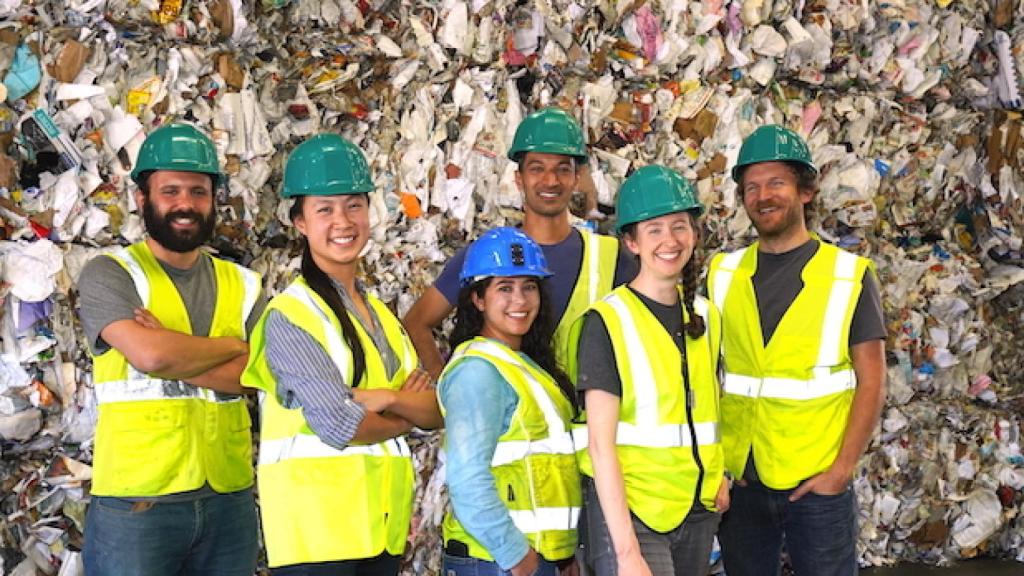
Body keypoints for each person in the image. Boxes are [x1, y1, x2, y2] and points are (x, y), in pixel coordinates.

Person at [242, 133, 442, 575]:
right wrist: (407, 415)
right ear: (299, 222)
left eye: (353, 205)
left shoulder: (383, 318)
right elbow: (338, 423)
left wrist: (388, 400)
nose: (343, 221)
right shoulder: (291, 315)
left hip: (381, 531)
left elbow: (437, 410)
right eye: (324, 209)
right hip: (317, 539)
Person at [77, 123, 264, 575]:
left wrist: (177, 351)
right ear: (142, 199)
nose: (186, 204)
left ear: (214, 199)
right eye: (171, 190)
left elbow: (259, 375)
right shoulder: (110, 274)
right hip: (138, 502)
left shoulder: (243, 283)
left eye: (198, 192)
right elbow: (150, 356)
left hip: (228, 497)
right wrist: (232, 346)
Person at [709, 125, 886, 576]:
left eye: (776, 183)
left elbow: (872, 380)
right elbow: (706, 373)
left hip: (816, 481)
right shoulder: (723, 273)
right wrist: (719, 465)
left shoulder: (848, 275)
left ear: (805, 191)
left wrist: (841, 471)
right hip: (743, 480)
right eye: (752, 187)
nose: (763, 196)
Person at [570, 166, 728, 576]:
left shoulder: (706, 316)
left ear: (694, 234)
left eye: (679, 227)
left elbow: (707, 408)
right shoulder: (608, 321)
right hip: (633, 511)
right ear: (631, 241)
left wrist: (717, 476)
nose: (670, 241)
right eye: (654, 230)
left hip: (695, 507)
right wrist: (626, 554)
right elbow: (600, 446)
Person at [403, 107, 636, 377]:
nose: (550, 180)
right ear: (519, 179)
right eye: (537, 168)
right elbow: (416, 323)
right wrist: (445, 392)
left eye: (562, 169)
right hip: (516, 417)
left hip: (593, 418)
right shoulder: (484, 256)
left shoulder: (610, 256)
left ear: (576, 179)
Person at [438, 226, 581, 576]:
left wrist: (561, 556)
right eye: (504, 288)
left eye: (529, 287)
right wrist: (518, 557)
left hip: (534, 557)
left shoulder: (527, 366)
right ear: (478, 298)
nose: (520, 300)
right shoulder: (478, 371)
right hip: (497, 560)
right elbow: (467, 477)